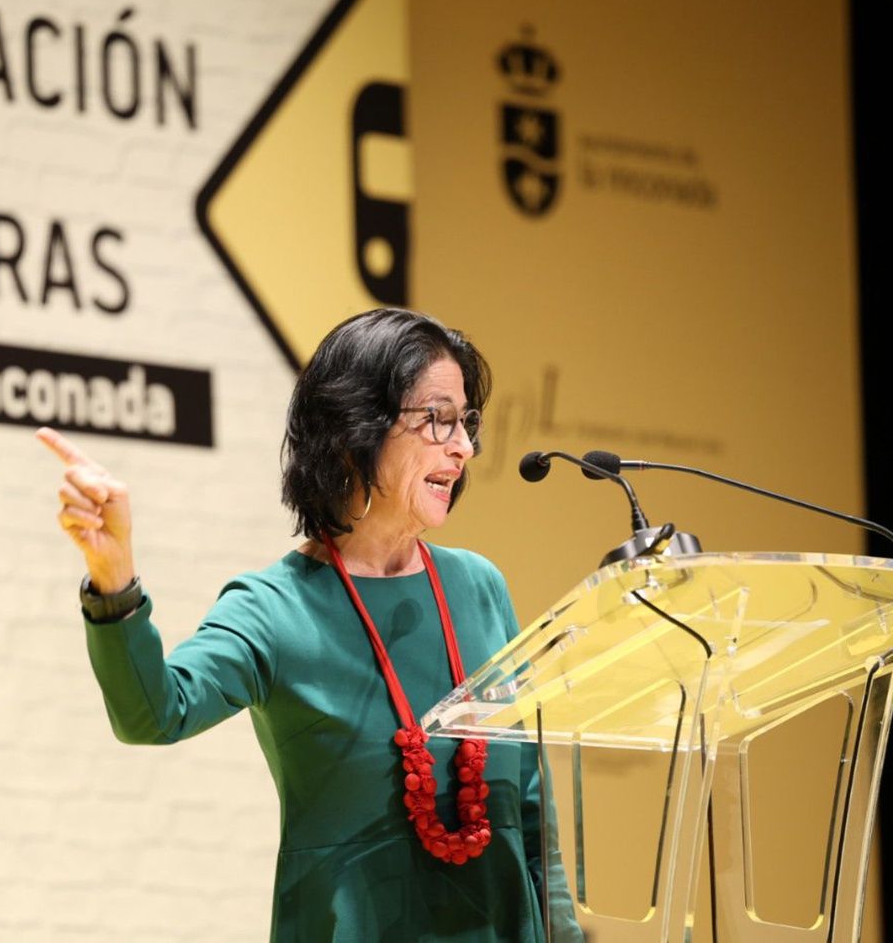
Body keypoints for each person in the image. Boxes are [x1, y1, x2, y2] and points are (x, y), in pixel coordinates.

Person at [38, 308, 582, 942]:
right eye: (436, 419)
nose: (461, 447)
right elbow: (154, 712)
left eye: (466, 422)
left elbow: (531, 803)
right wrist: (114, 576)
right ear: (357, 430)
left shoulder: (479, 586)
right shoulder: (274, 608)